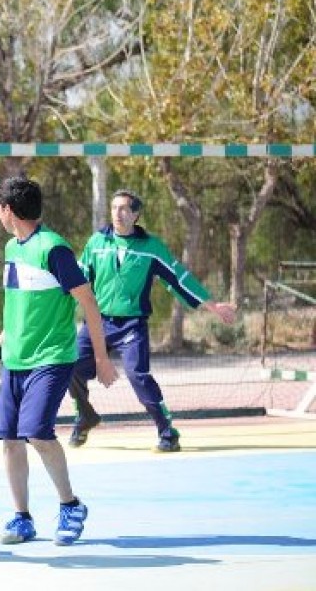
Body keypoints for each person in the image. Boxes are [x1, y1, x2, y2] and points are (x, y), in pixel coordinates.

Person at [0, 175, 117, 546]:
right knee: (9, 439)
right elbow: (16, 311)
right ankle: (22, 517)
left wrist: (101, 358)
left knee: (38, 433)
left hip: (52, 358)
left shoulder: (54, 249)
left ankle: (70, 506)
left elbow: (88, 302)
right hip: (16, 361)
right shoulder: (12, 249)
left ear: (7, 210)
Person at [68, 189, 237, 453]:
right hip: (97, 322)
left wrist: (213, 305)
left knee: (138, 375)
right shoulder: (96, 243)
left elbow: (179, 278)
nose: (118, 213)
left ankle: (167, 431)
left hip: (131, 325)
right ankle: (85, 415)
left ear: (136, 214)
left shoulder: (151, 247)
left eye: (124, 209)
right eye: (114, 208)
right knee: (71, 365)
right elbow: (77, 278)